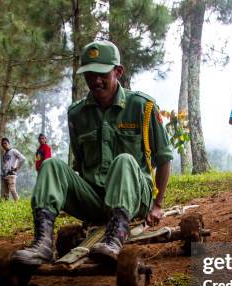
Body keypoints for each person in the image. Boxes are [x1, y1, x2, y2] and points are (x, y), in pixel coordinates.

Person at [12, 40, 173, 266]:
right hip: (95, 200)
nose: (96, 80)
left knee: (124, 161)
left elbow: (164, 158)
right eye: (89, 75)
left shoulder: (142, 106)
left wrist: (157, 204)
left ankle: (114, 240)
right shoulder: (77, 115)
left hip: (136, 199)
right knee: (51, 165)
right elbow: (79, 161)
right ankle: (42, 244)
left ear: (118, 71)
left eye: (102, 73)